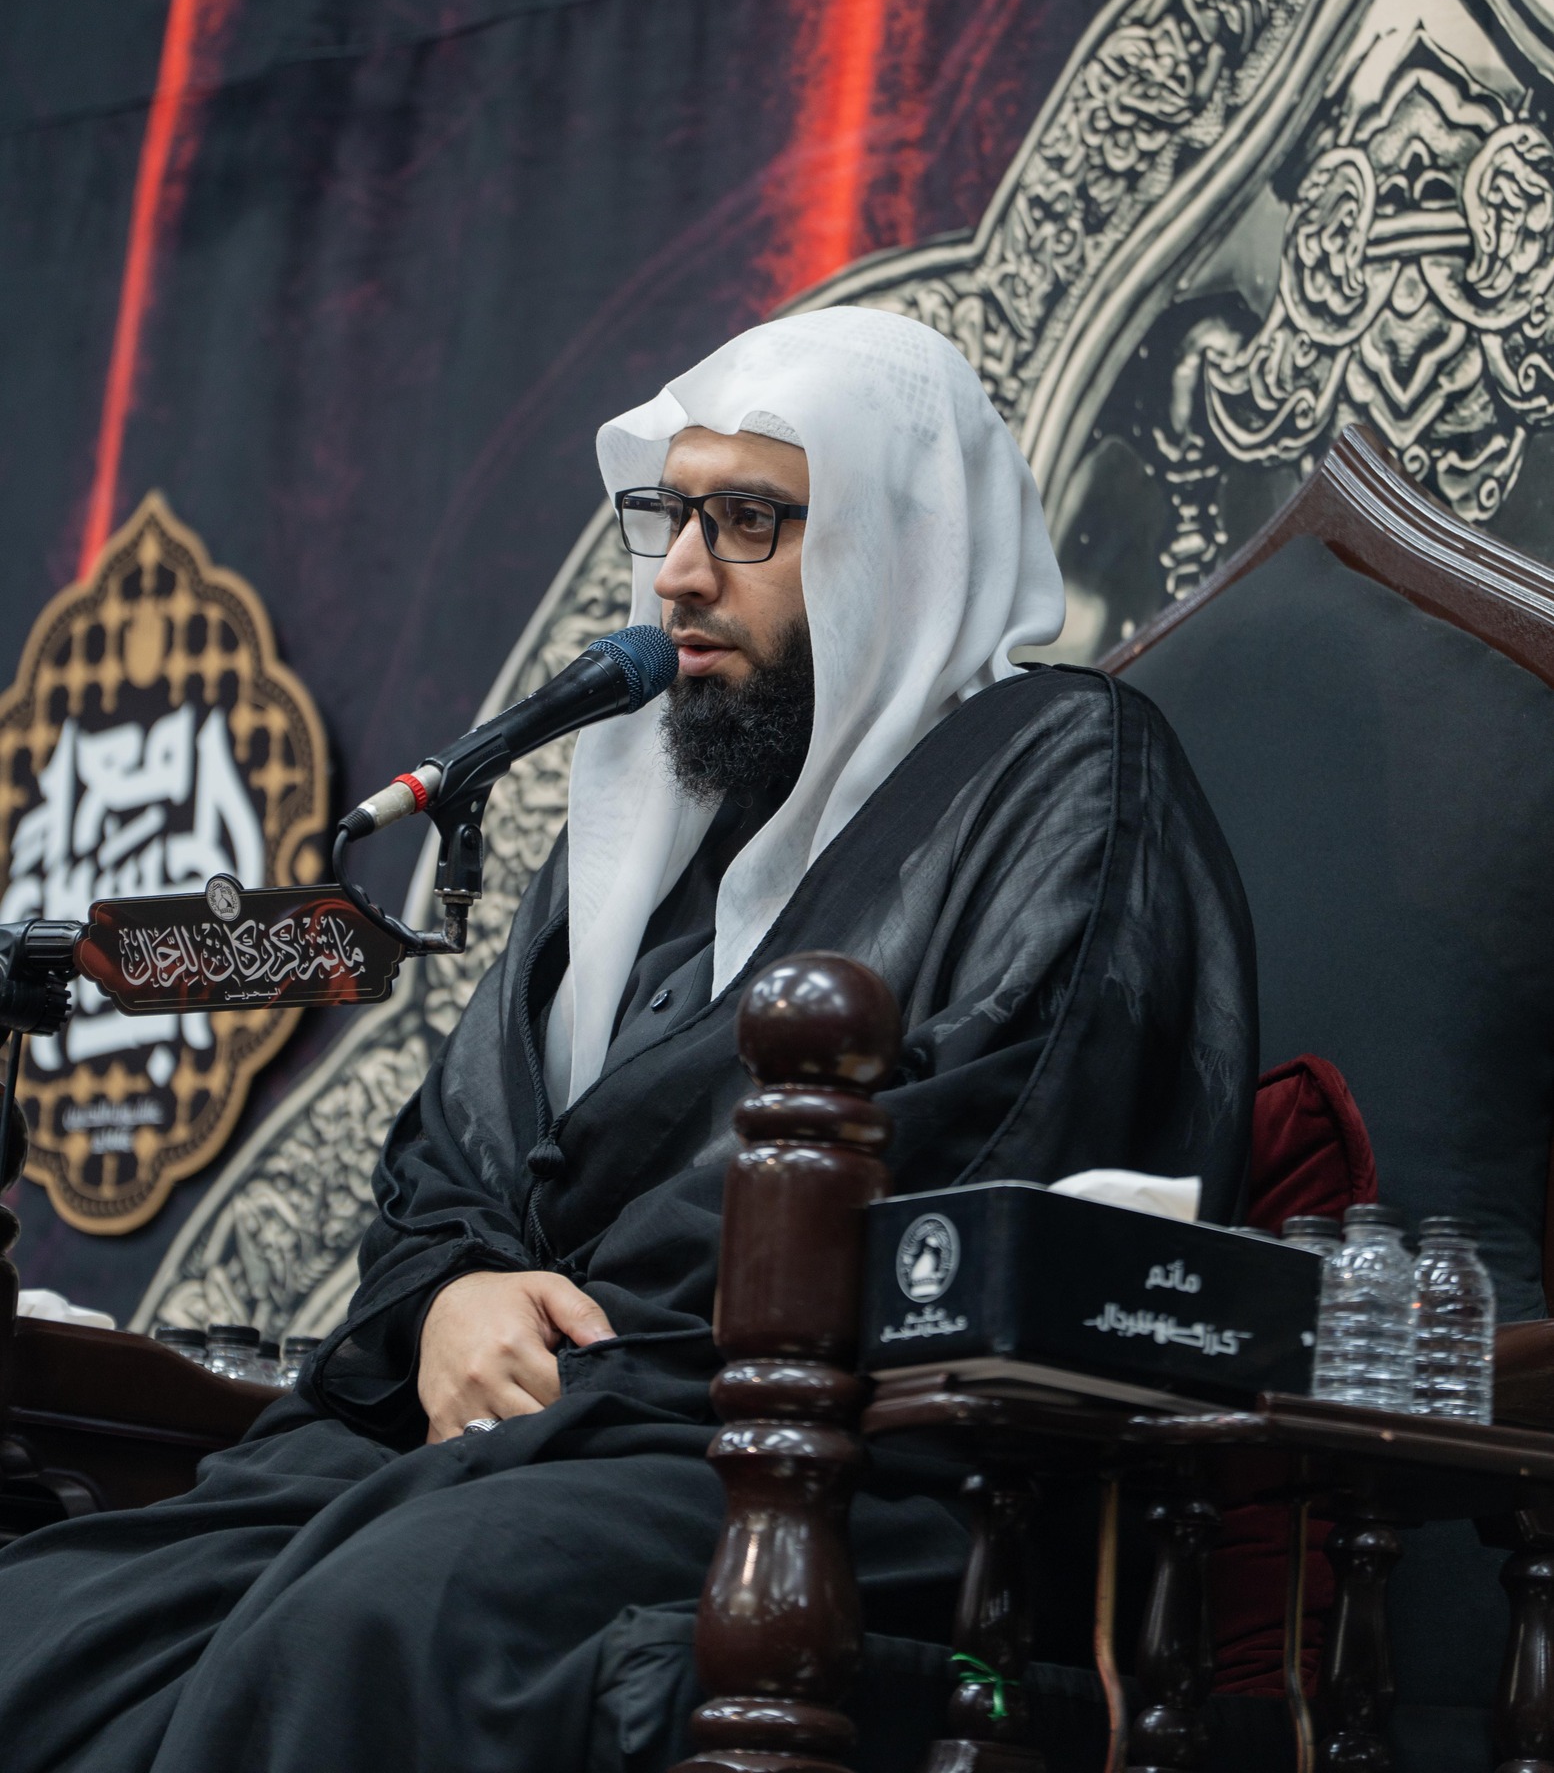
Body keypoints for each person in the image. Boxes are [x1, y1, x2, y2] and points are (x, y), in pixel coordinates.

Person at [0, 307, 1257, 1772]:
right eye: (671, 514)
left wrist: (568, 1347)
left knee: (383, 1619)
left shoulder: (1063, 772)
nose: (678, 574)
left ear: (897, 540)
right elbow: (448, 1160)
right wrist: (458, 1299)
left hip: (839, 1464)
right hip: (523, 1441)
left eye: (748, 521)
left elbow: (979, 1158)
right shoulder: (641, 846)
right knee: (46, 1623)